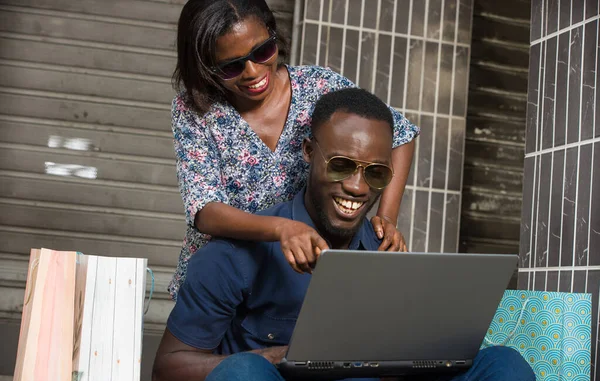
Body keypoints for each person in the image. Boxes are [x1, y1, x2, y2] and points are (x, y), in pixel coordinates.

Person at [152, 88, 536, 381]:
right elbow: (169, 375)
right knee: (239, 377)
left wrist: (418, 359)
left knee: (506, 368)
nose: (356, 186)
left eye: (376, 172)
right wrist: (282, 357)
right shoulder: (234, 254)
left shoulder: (389, 253)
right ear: (308, 153)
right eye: (340, 165)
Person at [168, 0, 420, 300]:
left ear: (274, 36)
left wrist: (387, 218)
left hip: (301, 275)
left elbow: (400, 133)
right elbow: (206, 211)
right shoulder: (195, 110)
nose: (252, 72)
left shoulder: (318, 86)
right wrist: (282, 228)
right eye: (231, 66)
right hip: (229, 279)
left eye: (262, 52)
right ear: (206, 66)